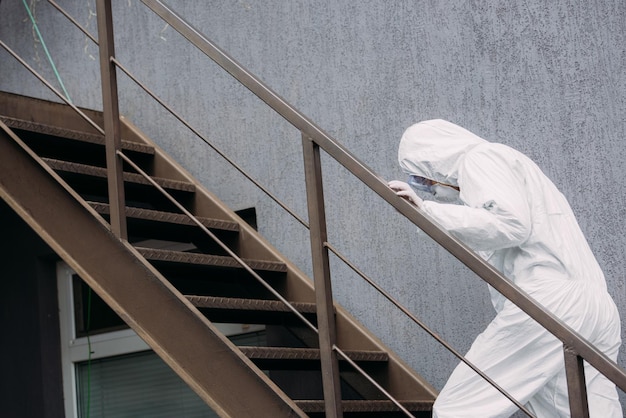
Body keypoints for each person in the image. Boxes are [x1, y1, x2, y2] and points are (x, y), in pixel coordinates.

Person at [388, 119, 622, 417]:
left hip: (550, 301)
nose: (430, 187)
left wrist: (428, 211)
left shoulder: (478, 158)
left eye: (422, 177)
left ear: (433, 158)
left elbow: (511, 225)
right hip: (594, 304)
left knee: (458, 408)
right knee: (582, 409)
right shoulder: (514, 165)